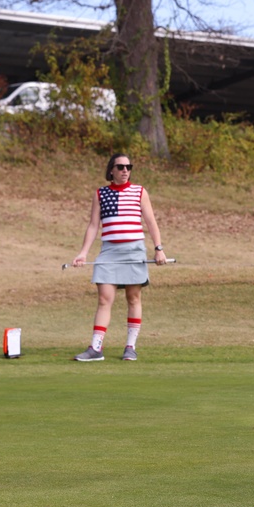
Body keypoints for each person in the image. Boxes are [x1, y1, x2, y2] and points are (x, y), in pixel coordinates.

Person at [71, 153, 168, 362]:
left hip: (134, 250)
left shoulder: (139, 192)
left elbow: (151, 221)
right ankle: (96, 348)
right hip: (109, 251)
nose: (125, 170)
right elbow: (93, 225)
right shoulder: (100, 193)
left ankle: (130, 347)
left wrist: (158, 248)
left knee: (133, 298)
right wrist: (83, 253)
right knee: (104, 298)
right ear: (111, 170)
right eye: (121, 167)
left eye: (128, 167)